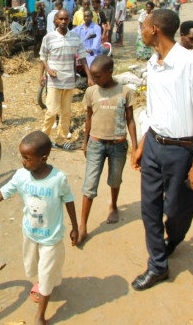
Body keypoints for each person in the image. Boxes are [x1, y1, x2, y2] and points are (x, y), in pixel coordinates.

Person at [130, 9, 193, 291]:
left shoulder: (192, 65)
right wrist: (144, 144)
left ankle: (173, 240)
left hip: (183, 151)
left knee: (178, 210)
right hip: (155, 145)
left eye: (143, 26)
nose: (140, 32)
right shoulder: (152, 64)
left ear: (155, 29)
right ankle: (158, 265)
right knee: (149, 208)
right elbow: (153, 110)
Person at [0, 131, 78, 325]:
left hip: (50, 239)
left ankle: (40, 315)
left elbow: (69, 200)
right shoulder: (21, 176)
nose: (22, 162)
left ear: (43, 158)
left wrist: (75, 226)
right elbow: (3, 192)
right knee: (34, 266)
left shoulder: (58, 179)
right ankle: (47, 282)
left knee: (45, 273)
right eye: (22, 157)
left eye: (27, 158)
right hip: (30, 234)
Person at [78, 56, 137, 245]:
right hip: (96, 143)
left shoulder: (125, 92)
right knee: (89, 184)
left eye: (97, 76)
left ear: (110, 72)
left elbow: (130, 120)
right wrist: (85, 142)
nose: (94, 80)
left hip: (118, 145)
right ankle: (83, 225)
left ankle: (113, 205)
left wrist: (135, 147)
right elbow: (88, 118)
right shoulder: (91, 92)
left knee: (115, 179)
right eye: (93, 77)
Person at [40, 10, 92, 151]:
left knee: (66, 113)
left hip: (69, 81)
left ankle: (60, 140)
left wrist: (89, 76)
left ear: (69, 20)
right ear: (56, 20)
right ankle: (44, 139)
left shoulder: (75, 38)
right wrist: (46, 71)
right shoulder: (48, 37)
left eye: (66, 19)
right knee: (51, 111)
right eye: (61, 19)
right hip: (54, 81)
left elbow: (82, 57)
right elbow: (43, 57)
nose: (63, 22)